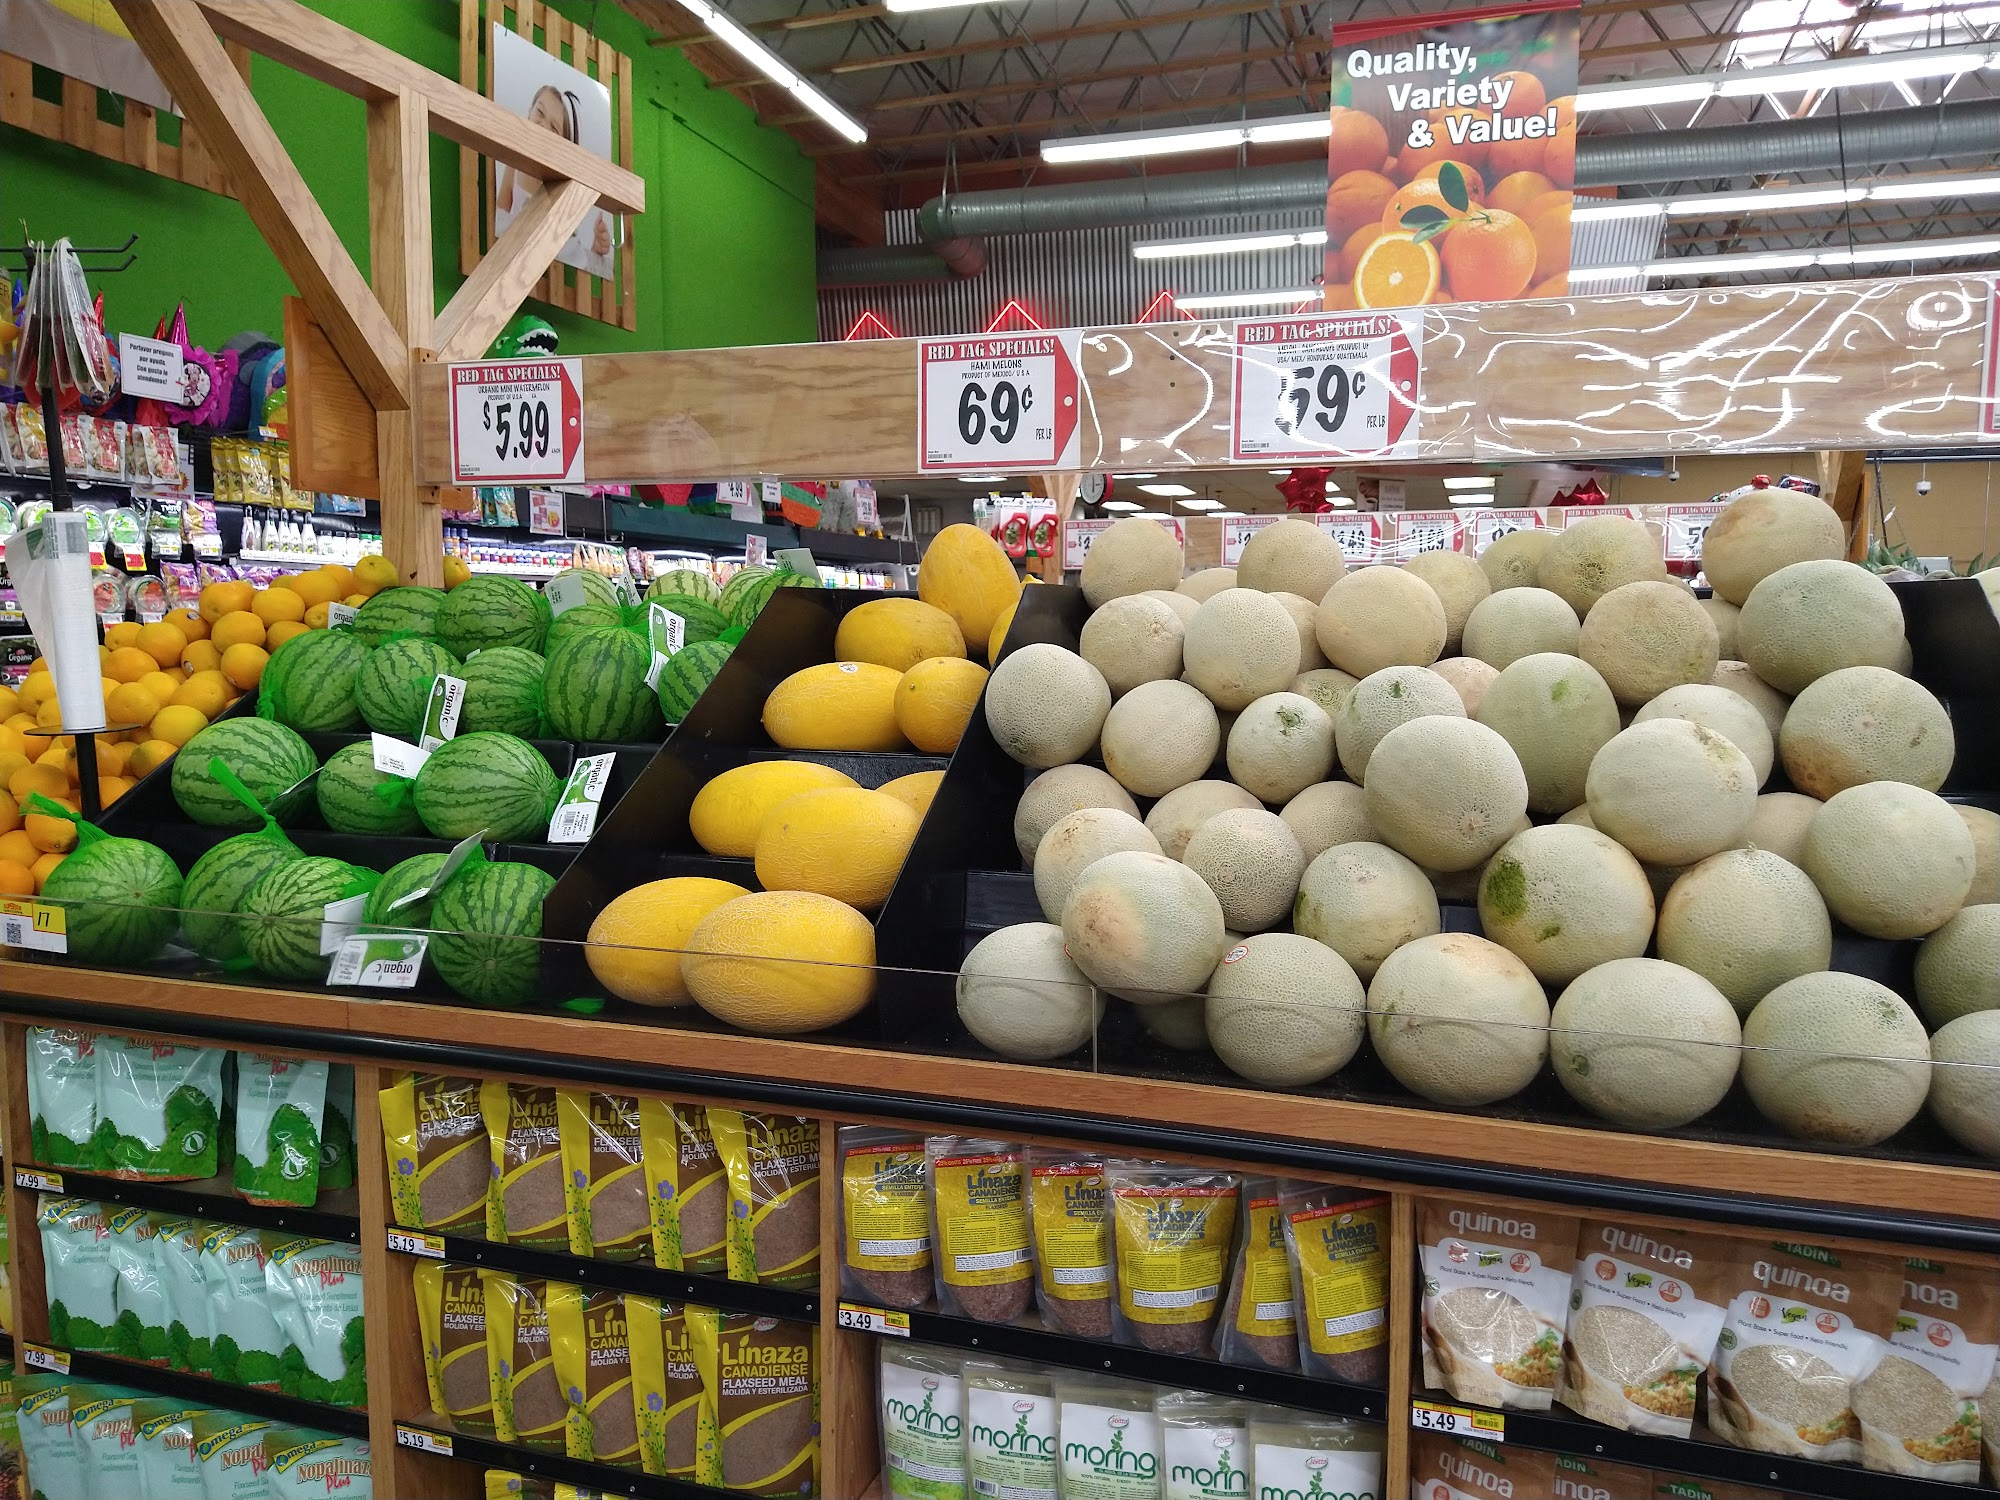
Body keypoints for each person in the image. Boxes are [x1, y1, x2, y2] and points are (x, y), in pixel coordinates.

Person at [497, 82, 615, 270]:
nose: (543, 125)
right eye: (540, 112)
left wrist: (596, 248)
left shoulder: (561, 187)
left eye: (554, 128)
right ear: (529, 111)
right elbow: (500, 215)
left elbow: (568, 252)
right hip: (511, 259)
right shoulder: (514, 166)